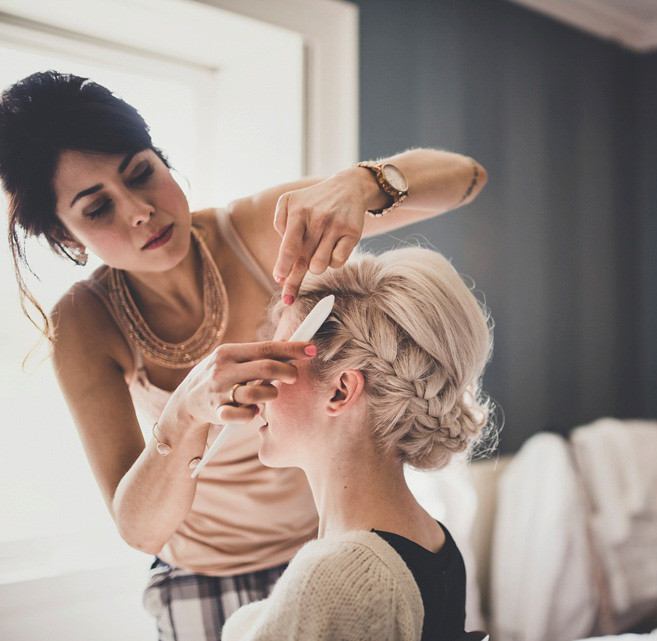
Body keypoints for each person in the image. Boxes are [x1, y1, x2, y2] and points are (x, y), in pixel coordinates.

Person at [0, 70, 487, 641]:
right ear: (66, 238)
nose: (139, 211)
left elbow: (468, 179)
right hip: (200, 579)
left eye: (142, 173)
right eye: (97, 208)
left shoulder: (260, 230)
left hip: (327, 550)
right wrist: (182, 415)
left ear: (161, 158)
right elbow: (140, 529)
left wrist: (363, 184)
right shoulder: (85, 325)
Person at [220, 246, 494, 641]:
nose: (254, 389)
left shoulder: (337, 577)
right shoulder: (435, 540)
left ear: (340, 390)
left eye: (277, 365)